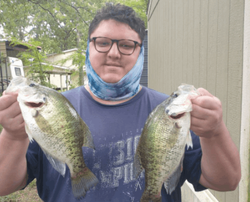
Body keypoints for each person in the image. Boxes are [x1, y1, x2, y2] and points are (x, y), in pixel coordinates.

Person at [0, 3, 241, 202]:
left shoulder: (167, 112)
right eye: (103, 42)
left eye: (127, 45)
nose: (113, 53)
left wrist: (215, 132)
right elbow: (4, 184)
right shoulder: (55, 107)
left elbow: (227, 181)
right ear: (88, 47)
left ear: (140, 53)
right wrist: (13, 135)